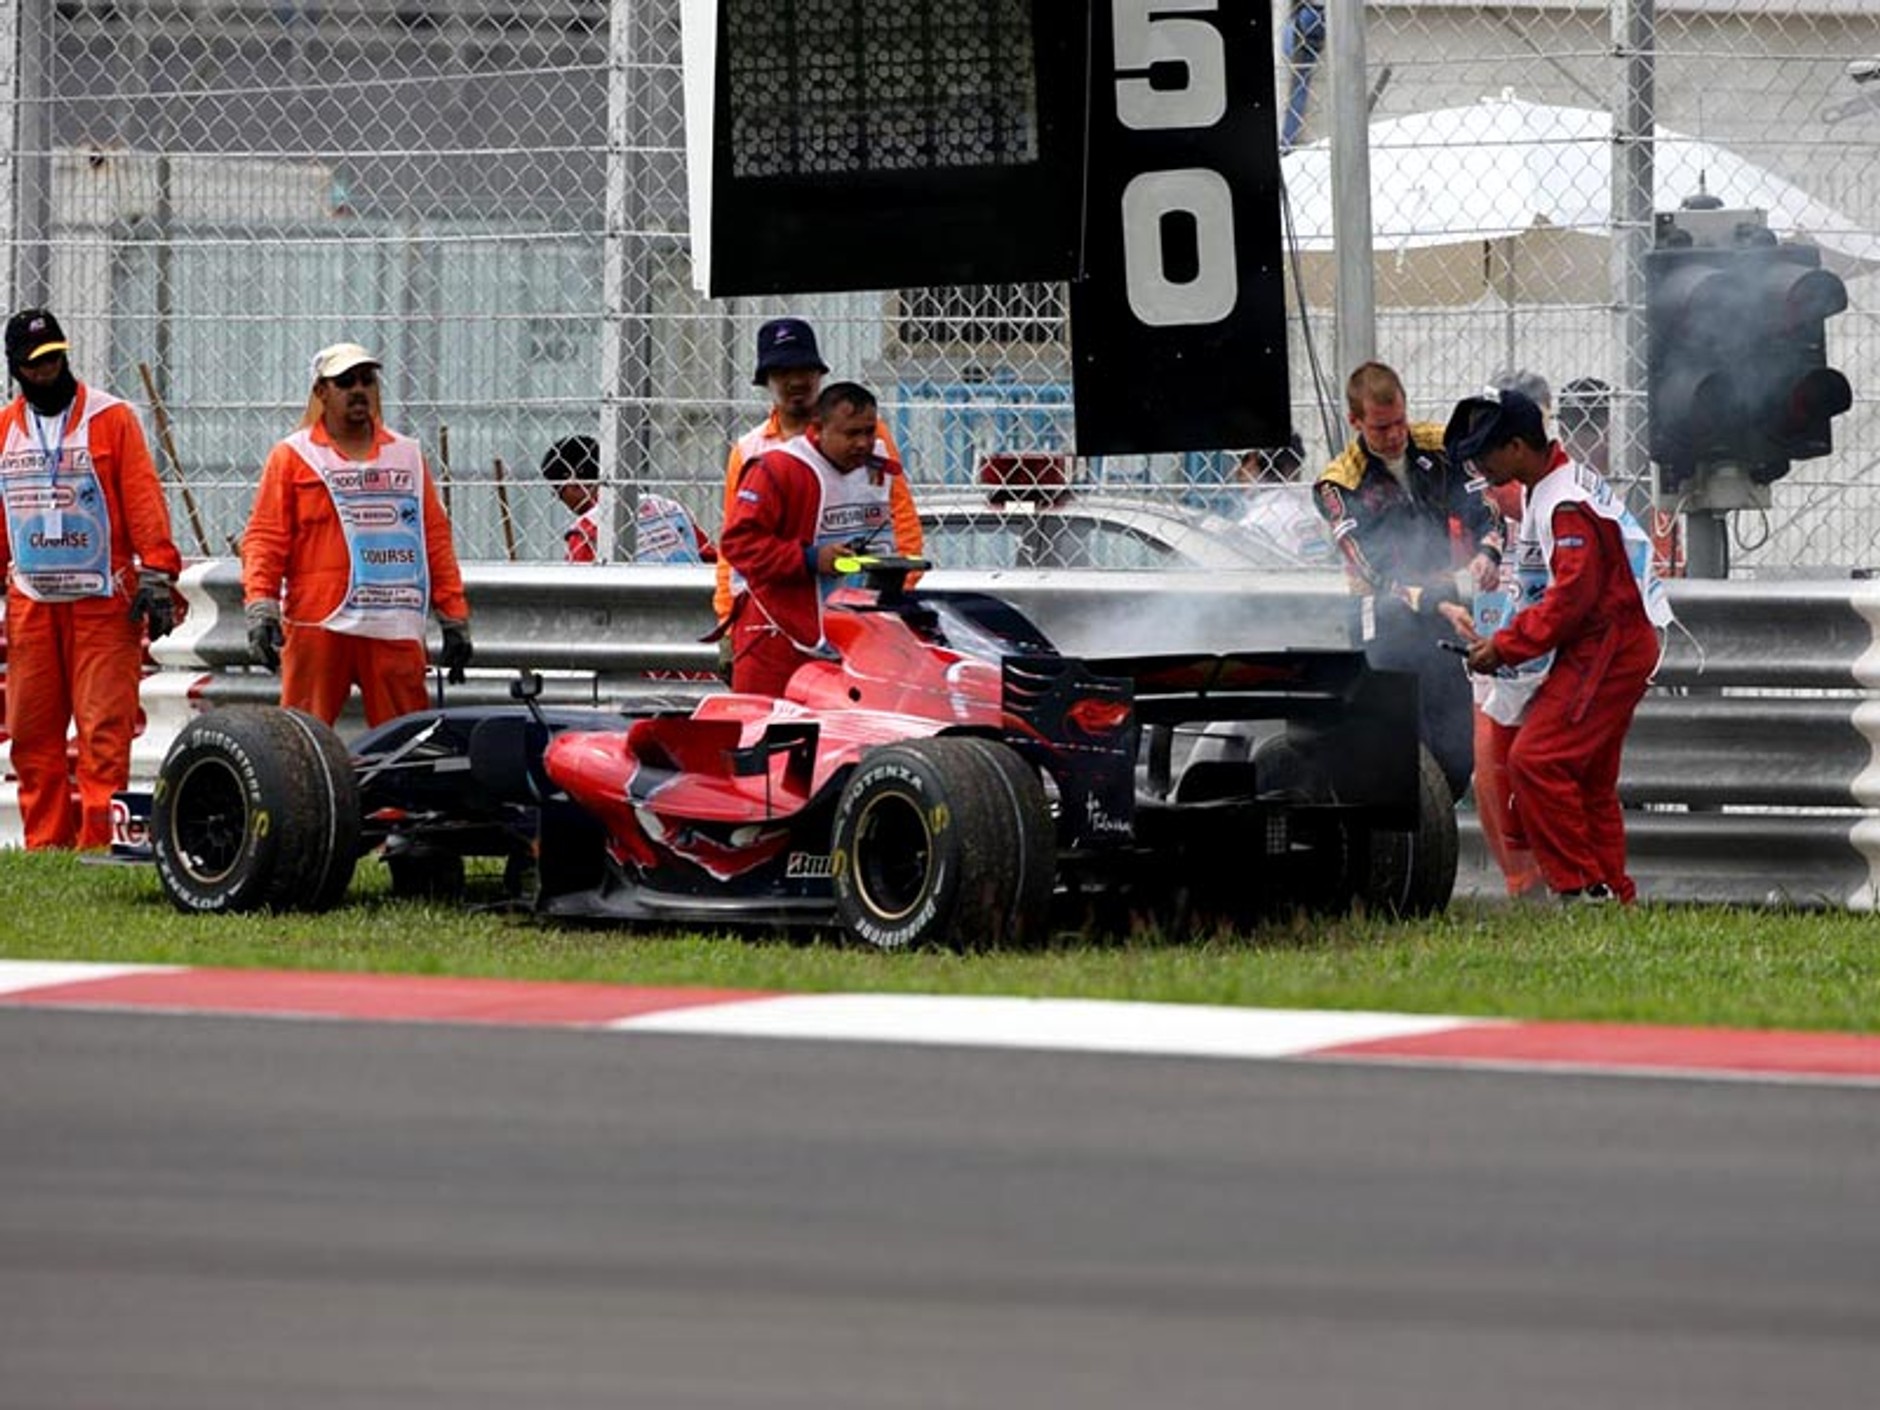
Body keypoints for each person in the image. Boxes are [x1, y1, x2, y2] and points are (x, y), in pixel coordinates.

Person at [1444, 386, 1674, 905]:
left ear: (1519, 447)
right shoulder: (1551, 484)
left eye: (1486, 453)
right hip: (1610, 641)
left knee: (1537, 760)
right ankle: (1614, 894)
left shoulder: (1562, 501)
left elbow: (1572, 598)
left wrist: (1505, 647)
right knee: (1587, 779)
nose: (1480, 466)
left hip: (1606, 646)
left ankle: (1581, 889)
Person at [0, 307, 182, 850]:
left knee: (104, 730)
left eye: (55, 358)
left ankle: (101, 844)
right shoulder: (5, 431)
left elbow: (143, 499)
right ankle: (46, 845)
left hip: (106, 603)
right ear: (15, 368)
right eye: (35, 364)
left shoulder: (112, 418)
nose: (47, 370)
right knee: (32, 734)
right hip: (33, 603)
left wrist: (157, 570)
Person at [241, 342, 472, 727]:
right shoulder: (293, 456)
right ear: (321, 393)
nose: (359, 390)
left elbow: (434, 540)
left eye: (367, 380)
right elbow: (266, 537)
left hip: (393, 619)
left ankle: (396, 791)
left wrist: (454, 616)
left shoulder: (407, 454)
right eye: (345, 382)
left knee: (405, 741)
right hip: (319, 621)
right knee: (303, 740)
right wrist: (261, 605)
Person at [1313, 360, 1501, 801]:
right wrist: (1432, 597)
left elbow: (1485, 508)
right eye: (1380, 428)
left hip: (1447, 599)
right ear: (1355, 422)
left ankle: (1436, 821)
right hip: (1383, 609)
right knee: (1398, 735)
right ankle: (1396, 840)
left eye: (1399, 421)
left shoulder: (1440, 444)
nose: (1395, 435)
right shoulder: (1337, 483)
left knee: (1457, 741)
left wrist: (1489, 551)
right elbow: (1372, 566)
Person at [711, 318, 913, 648]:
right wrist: (728, 619)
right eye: (781, 372)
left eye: (804, 369)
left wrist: (897, 595)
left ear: (819, 374)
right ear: (765, 381)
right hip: (769, 619)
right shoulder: (750, 450)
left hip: (857, 617)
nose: (795, 381)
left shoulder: (868, 438)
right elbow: (733, 548)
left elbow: (900, 523)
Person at [718, 381, 923, 696]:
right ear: (817, 429)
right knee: (761, 733)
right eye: (851, 434)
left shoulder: (881, 467)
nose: (863, 443)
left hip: (853, 637)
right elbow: (738, 544)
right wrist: (810, 559)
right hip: (776, 634)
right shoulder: (777, 468)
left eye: (869, 432)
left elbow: (903, 531)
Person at [1452, 370, 1550, 899]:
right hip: (1497, 619)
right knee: (1490, 754)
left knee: (1540, 758)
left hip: (1548, 637)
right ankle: (1520, 878)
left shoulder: (1560, 487)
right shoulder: (1479, 485)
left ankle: (1556, 871)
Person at [541, 434, 715, 565]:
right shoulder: (670, 509)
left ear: (573, 484)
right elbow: (712, 560)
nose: (558, 498)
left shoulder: (586, 531)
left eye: (556, 491)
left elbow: (576, 594)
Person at [1234, 433, 1334, 567]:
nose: (1237, 472)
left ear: (1255, 462)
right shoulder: (1316, 506)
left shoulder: (1254, 523)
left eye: (1243, 461)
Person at [1279, 0, 1326, 152]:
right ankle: (1287, 140)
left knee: (1297, 83)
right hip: (1316, 12)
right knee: (1299, 82)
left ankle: (1286, 141)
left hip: (1308, 13)